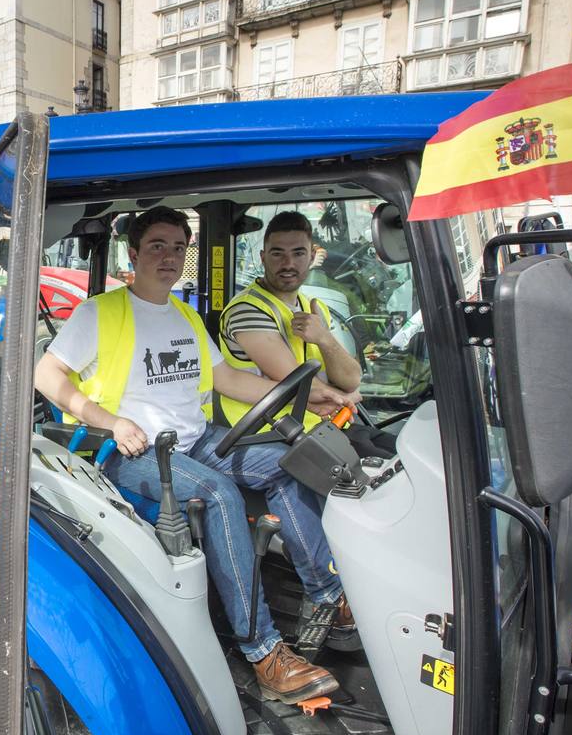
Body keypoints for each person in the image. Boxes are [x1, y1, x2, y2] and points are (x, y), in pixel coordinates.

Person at [35, 206, 355, 705]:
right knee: (222, 495)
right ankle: (264, 649)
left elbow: (226, 378)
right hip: (128, 450)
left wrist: (310, 394)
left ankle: (326, 596)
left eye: (178, 247)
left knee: (291, 460)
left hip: (194, 439)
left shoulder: (183, 314)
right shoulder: (100, 312)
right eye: (157, 246)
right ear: (134, 254)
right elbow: (47, 377)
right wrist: (109, 420)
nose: (169, 256)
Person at [219, 210, 395, 457]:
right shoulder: (248, 310)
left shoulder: (313, 306)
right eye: (277, 253)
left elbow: (351, 379)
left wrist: (323, 337)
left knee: (403, 454)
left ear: (312, 256)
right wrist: (344, 396)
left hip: (323, 428)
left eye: (298, 253)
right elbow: (300, 385)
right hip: (273, 435)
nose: (288, 264)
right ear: (262, 257)